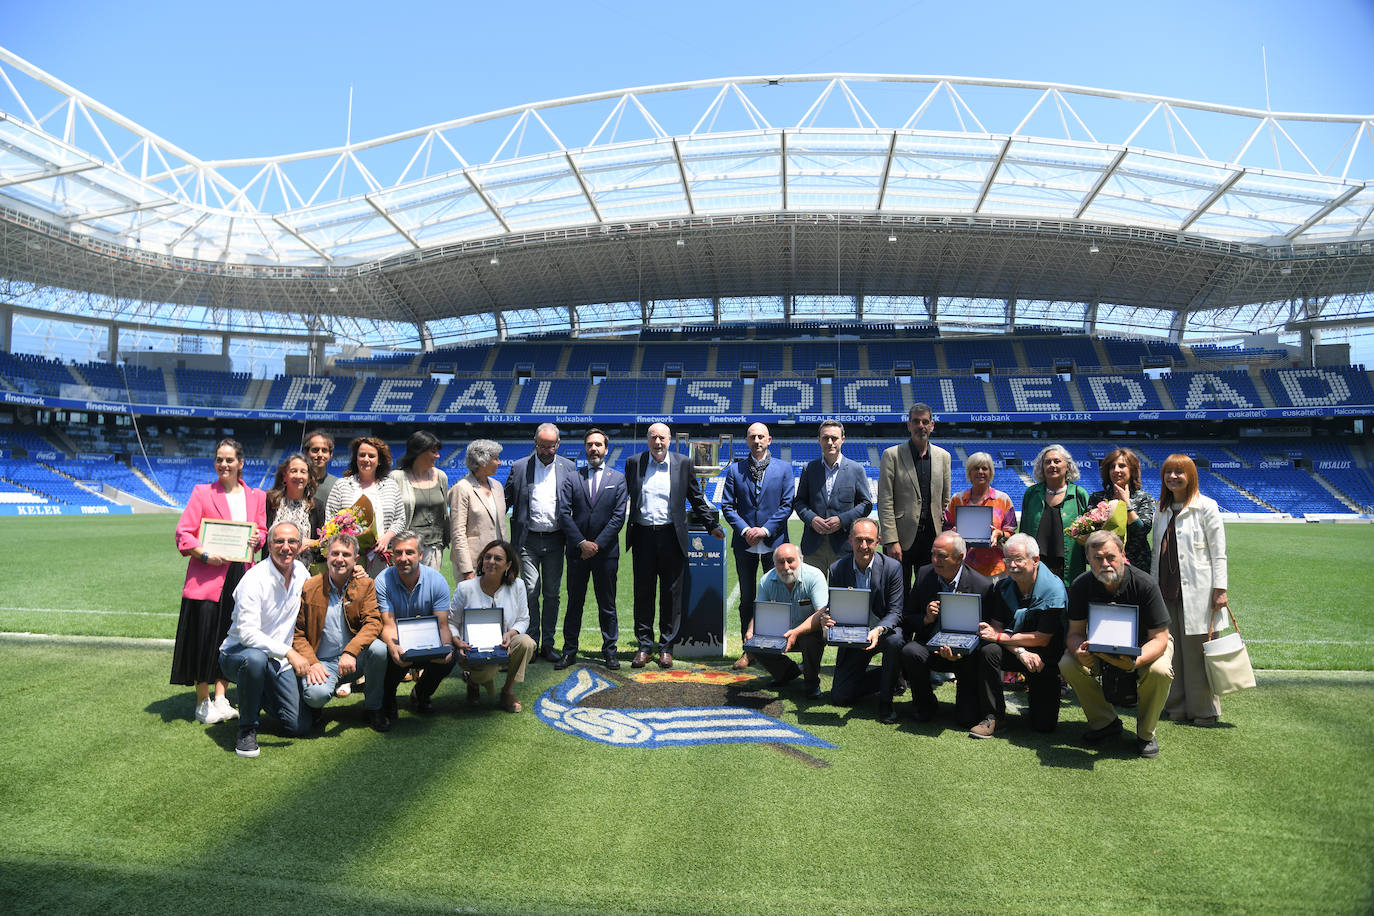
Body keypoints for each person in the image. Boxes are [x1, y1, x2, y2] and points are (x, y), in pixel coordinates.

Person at [172, 437, 266, 725]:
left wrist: (257, 538)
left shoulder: (256, 497)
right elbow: (183, 534)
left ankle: (222, 697)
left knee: (230, 635)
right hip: (207, 578)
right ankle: (203, 701)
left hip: (241, 575)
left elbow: (262, 531)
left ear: (241, 463)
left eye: (229, 460)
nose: (223, 464)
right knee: (204, 637)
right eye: (219, 459)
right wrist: (205, 554)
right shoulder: (202, 493)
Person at [1060, 530, 1174, 758]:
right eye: (1097, 558)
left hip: (1146, 646)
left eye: (1111, 557)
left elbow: (1160, 638)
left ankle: (1146, 733)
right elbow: (1074, 633)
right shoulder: (1081, 585)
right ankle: (1105, 722)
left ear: (1122, 554)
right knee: (1067, 663)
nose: (1105, 563)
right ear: (1088, 560)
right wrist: (1078, 650)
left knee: (1160, 671)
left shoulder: (1145, 584)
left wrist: (1134, 661)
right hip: (1100, 645)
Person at [624, 423, 724, 669]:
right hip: (643, 536)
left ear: (670, 440)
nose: (658, 442)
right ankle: (644, 646)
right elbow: (623, 495)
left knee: (671, 595)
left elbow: (695, 497)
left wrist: (711, 525)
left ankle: (666, 647)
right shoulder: (634, 463)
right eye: (653, 438)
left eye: (662, 438)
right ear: (648, 440)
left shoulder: (682, 463)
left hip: (672, 536)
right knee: (643, 593)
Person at [217, 520, 313, 758]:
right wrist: (289, 652)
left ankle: (259, 694)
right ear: (269, 546)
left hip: (276, 659)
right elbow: (248, 635)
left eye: (292, 541)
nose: (286, 547)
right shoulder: (253, 580)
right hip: (239, 653)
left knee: (298, 726)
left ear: (300, 546)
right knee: (256, 660)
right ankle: (247, 730)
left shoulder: (302, 572)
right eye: (279, 541)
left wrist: (356, 572)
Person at [1153, 453, 1229, 725]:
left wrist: (1220, 589)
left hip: (1198, 591)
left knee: (1198, 653)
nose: (1173, 477)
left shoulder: (1206, 507)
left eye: (1179, 472)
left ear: (1190, 476)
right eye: (1168, 472)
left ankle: (1204, 709)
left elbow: (1218, 552)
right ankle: (1177, 705)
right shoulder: (1160, 509)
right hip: (1166, 590)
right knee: (1173, 651)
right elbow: (1156, 555)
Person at [896, 531, 995, 726]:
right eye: (933, 554)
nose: (935, 560)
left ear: (960, 557)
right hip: (930, 648)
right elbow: (907, 617)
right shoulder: (924, 575)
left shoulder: (981, 585)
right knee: (910, 651)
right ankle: (925, 703)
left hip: (966, 656)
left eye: (942, 556)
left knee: (966, 720)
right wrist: (925, 618)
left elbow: (987, 631)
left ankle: (967, 702)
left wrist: (962, 650)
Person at [293, 533, 389, 732]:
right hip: (323, 662)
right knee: (316, 696)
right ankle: (314, 708)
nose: (339, 559)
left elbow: (372, 623)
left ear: (356, 559)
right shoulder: (310, 586)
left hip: (355, 659)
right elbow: (298, 633)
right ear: (327, 556)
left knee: (379, 649)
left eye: (346, 554)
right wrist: (312, 662)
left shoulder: (365, 584)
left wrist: (351, 651)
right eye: (335, 553)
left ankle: (374, 708)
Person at [972, 533, 1066, 736]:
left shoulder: (1054, 589)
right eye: (1007, 560)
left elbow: (1042, 638)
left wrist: (1000, 638)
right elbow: (995, 631)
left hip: (1044, 656)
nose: (1012, 565)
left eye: (1018, 560)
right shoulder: (1004, 586)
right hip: (1017, 650)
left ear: (1035, 560)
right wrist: (1020, 651)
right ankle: (993, 716)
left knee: (1044, 726)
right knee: (989, 650)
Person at [720, 422, 795, 670]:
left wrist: (764, 530)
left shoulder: (784, 469)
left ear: (770, 439)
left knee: (775, 599)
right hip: (745, 544)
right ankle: (748, 651)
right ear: (747, 440)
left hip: (774, 543)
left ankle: (773, 650)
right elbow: (728, 506)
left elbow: (786, 505)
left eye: (761, 436)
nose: (757, 441)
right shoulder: (734, 470)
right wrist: (745, 530)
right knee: (747, 599)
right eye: (752, 437)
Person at [555, 428, 628, 670]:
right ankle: (569, 651)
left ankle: (610, 651)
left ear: (606, 449)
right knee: (574, 603)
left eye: (598, 445)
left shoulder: (617, 479)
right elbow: (564, 514)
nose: (594, 449)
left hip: (606, 554)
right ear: (585, 449)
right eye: (589, 445)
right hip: (577, 553)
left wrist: (596, 544)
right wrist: (581, 543)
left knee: (607, 604)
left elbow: (618, 518)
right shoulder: (572, 478)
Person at [505, 423, 576, 661]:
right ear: (535, 442)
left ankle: (548, 643)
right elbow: (504, 501)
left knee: (553, 593)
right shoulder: (519, 467)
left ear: (558, 444)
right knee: (530, 591)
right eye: (542, 445)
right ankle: (532, 641)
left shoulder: (569, 467)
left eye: (551, 446)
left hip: (556, 539)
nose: (546, 450)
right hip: (528, 541)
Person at [824, 518, 905, 720]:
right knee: (840, 697)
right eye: (858, 540)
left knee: (896, 640)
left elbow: (895, 612)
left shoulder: (892, 568)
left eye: (869, 540)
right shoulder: (836, 569)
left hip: (882, 631)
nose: (863, 546)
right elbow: (834, 607)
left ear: (878, 541)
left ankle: (886, 702)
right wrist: (827, 617)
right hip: (854, 633)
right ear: (850, 540)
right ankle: (892, 677)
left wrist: (878, 630)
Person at [376, 531, 457, 721]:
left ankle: (421, 693)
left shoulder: (437, 581)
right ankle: (388, 698)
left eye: (409, 552)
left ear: (420, 555)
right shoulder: (382, 581)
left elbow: (443, 625)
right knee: (386, 652)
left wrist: (444, 648)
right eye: (398, 553)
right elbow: (387, 625)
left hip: (427, 642)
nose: (403, 558)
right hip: (398, 638)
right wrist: (394, 647)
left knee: (449, 657)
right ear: (392, 555)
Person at [452, 539, 537, 713]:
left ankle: (507, 691)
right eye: (487, 557)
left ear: (508, 565)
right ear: (482, 561)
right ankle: (473, 682)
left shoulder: (518, 586)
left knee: (526, 642)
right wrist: (457, 641)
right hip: (472, 649)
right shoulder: (465, 588)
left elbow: (523, 619)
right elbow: (452, 622)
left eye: (498, 559)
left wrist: (511, 633)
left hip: (503, 646)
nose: (491, 562)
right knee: (488, 670)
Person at [878, 403, 952, 591]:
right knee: (896, 591)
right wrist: (891, 540)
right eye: (916, 421)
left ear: (932, 425)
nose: (921, 426)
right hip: (900, 539)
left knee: (928, 591)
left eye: (925, 421)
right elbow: (885, 501)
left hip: (932, 538)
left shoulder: (944, 457)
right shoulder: (892, 455)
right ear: (908, 425)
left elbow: (945, 500)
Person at [747, 543, 828, 700]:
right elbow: (760, 612)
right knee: (754, 640)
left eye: (790, 560)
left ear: (801, 560)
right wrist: (751, 631)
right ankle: (787, 673)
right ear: (774, 563)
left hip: (808, 631)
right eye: (780, 562)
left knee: (811, 638)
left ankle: (811, 682)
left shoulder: (815, 576)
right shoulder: (766, 580)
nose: (785, 567)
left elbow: (822, 613)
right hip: (780, 631)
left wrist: (796, 632)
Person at [793, 420, 874, 574]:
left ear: (843, 439)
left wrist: (842, 520)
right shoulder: (809, 469)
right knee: (812, 595)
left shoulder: (856, 470)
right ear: (819, 440)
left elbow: (866, 504)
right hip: (813, 546)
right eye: (825, 438)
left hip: (844, 545)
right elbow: (799, 502)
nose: (830, 442)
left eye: (834, 438)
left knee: (841, 594)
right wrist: (812, 519)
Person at [326, 437, 406, 576]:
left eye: (371, 456)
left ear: (379, 460)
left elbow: (400, 519)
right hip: (348, 558)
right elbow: (330, 519)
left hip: (381, 557)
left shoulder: (391, 486)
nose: (366, 459)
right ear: (356, 459)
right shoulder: (342, 485)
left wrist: (387, 537)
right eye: (362, 455)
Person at [1017, 444, 1091, 587]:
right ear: (1042, 467)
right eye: (1047, 462)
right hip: (1036, 568)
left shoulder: (1079, 494)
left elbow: (1089, 535)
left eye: (1057, 461)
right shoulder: (1031, 494)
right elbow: (1024, 531)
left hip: (1069, 569)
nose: (1052, 465)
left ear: (1067, 466)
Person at [942, 451, 1017, 578]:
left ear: (991, 473)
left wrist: (1000, 534)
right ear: (969, 473)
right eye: (976, 468)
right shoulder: (957, 499)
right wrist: (952, 533)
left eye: (984, 468)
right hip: (963, 567)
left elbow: (1012, 536)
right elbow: (945, 530)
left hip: (995, 568)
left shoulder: (1003, 500)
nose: (980, 472)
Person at [390, 430, 450, 570]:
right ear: (419, 451)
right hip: (406, 548)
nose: (438, 456)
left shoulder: (441, 477)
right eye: (433, 451)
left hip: (434, 548)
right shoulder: (397, 477)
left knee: (428, 589)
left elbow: (444, 513)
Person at [448, 439, 507, 582]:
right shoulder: (462, 488)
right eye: (496, 459)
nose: (500, 463)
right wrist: (467, 570)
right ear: (482, 461)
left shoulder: (497, 486)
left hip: (497, 562)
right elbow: (458, 532)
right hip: (474, 564)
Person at [1089, 447, 1155, 573]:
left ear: (1132, 470)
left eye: (1122, 466)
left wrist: (1127, 504)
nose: (1116, 470)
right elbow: (1089, 532)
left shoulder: (1143, 498)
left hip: (1137, 565)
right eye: (1112, 467)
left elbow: (1142, 530)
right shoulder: (1097, 498)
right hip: (1104, 563)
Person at [264, 452, 323, 566]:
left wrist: (310, 543)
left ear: (309, 478)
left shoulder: (317, 506)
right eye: (293, 471)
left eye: (303, 472)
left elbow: (323, 543)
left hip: (305, 570)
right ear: (284, 476)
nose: (298, 476)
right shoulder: (270, 502)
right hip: (272, 568)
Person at [304, 429, 339, 514]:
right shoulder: (298, 483)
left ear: (330, 455)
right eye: (315, 450)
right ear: (306, 453)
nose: (320, 455)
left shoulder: (338, 485)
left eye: (324, 450)